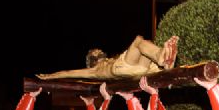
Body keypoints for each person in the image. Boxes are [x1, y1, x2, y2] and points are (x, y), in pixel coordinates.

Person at [37, 35, 179, 80]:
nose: (99, 54)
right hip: (120, 69)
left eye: (100, 52)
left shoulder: (108, 60)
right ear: (91, 61)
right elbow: (69, 73)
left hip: (139, 70)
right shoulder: (94, 70)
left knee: (145, 44)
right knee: (138, 40)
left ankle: (164, 61)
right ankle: (161, 55)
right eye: (95, 54)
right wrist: (50, 76)